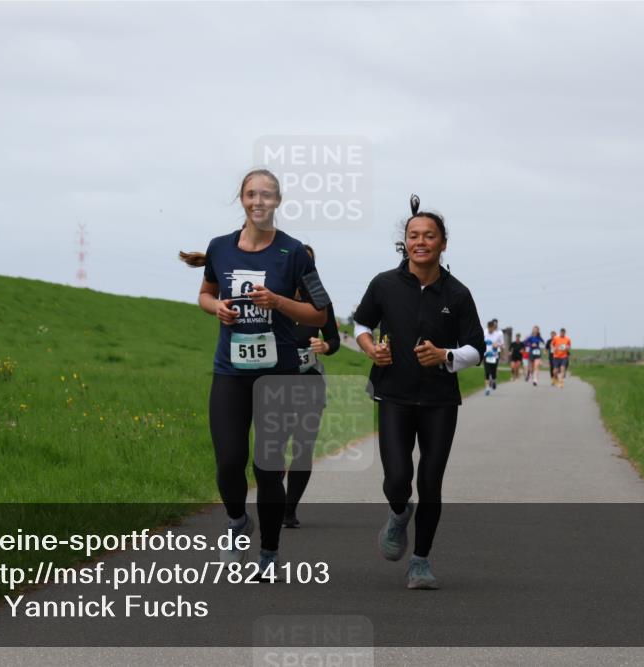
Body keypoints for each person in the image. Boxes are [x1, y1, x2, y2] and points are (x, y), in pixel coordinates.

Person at [185, 168, 330, 576]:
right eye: (251, 194)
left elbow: (319, 312)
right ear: (242, 199)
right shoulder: (220, 248)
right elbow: (205, 294)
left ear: (278, 201)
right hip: (230, 372)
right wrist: (217, 307)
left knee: (267, 469)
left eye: (266, 195)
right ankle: (236, 521)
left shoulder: (295, 252)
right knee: (229, 462)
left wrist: (279, 302)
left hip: (278, 375)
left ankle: (268, 553)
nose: (258, 201)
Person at [353, 194, 485, 590]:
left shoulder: (457, 294)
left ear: (443, 243)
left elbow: (476, 349)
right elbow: (361, 324)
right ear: (405, 242)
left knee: (430, 482)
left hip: (439, 402)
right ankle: (398, 513)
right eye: (414, 235)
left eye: (429, 236)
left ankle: (421, 563)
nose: (421, 242)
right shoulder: (384, 284)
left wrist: (445, 355)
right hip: (393, 395)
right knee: (398, 478)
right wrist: (370, 348)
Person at [283, 244, 341, 528]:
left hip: (310, 382)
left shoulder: (320, 300)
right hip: (276, 383)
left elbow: (335, 340)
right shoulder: (273, 296)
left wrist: (325, 345)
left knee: (303, 447)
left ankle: (289, 510)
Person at [483, 319, 504, 395]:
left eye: (491, 328)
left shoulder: (498, 334)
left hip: (494, 356)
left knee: (493, 372)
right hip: (486, 355)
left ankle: (494, 381)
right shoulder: (484, 332)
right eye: (489, 328)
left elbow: (502, 345)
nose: (490, 329)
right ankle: (487, 388)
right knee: (487, 372)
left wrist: (497, 345)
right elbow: (481, 342)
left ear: (493, 328)